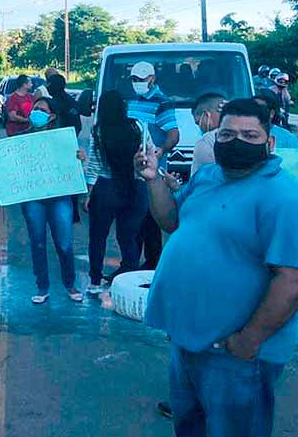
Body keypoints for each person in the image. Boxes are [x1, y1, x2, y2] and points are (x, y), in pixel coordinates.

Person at [132, 98, 298, 437]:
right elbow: (171, 222)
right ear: (215, 137)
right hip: (189, 339)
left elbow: (294, 280)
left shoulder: (284, 200)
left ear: (269, 141)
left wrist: (248, 340)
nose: (237, 142)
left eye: (249, 136)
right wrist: (153, 181)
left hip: (235, 354)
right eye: (228, 134)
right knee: (192, 432)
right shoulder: (209, 178)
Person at [16, 97, 84, 303]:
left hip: (59, 196)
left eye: (41, 109)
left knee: (64, 243)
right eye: (34, 108)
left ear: (52, 115)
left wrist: (80, 158)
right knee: (37, 242)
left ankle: (70, 283)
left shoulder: (64, 140)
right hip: (33, 197)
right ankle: (42, 286)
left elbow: (74, 168)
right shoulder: (20, 139)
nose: (36, 112)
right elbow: (12, 167)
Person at [83, 91, 151, 295]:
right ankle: (130, 281)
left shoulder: (99, 130)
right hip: (135, 186)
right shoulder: (137, 126)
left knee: (98, 236)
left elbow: (94, 166)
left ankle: (95, 281)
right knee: (129, 237)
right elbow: (148, 151)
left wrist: (88, 193)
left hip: (106, 188)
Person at [128, 61, 180, 271]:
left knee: (150, 219)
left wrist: (161, 150)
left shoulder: (162, 103)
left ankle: (153, 264)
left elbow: (174, 134)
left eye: (141, 80)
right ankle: (131, 263)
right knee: (135, 219)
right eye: (134, 79)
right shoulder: (133, 100)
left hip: (151, 169)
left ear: (152, 79)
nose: (137, 83)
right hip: (134, 166)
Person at [189, 92, 227, 175]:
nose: (200, 127)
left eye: (198, 122)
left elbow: (198, 182)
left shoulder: (207, 140)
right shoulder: (249, 133)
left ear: (206, 115)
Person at [45, 68, 82, 133]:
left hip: (64, 134)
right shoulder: (68, 99)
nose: (47, 87)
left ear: (53, 85)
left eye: (48, 84)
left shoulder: (58, 102)